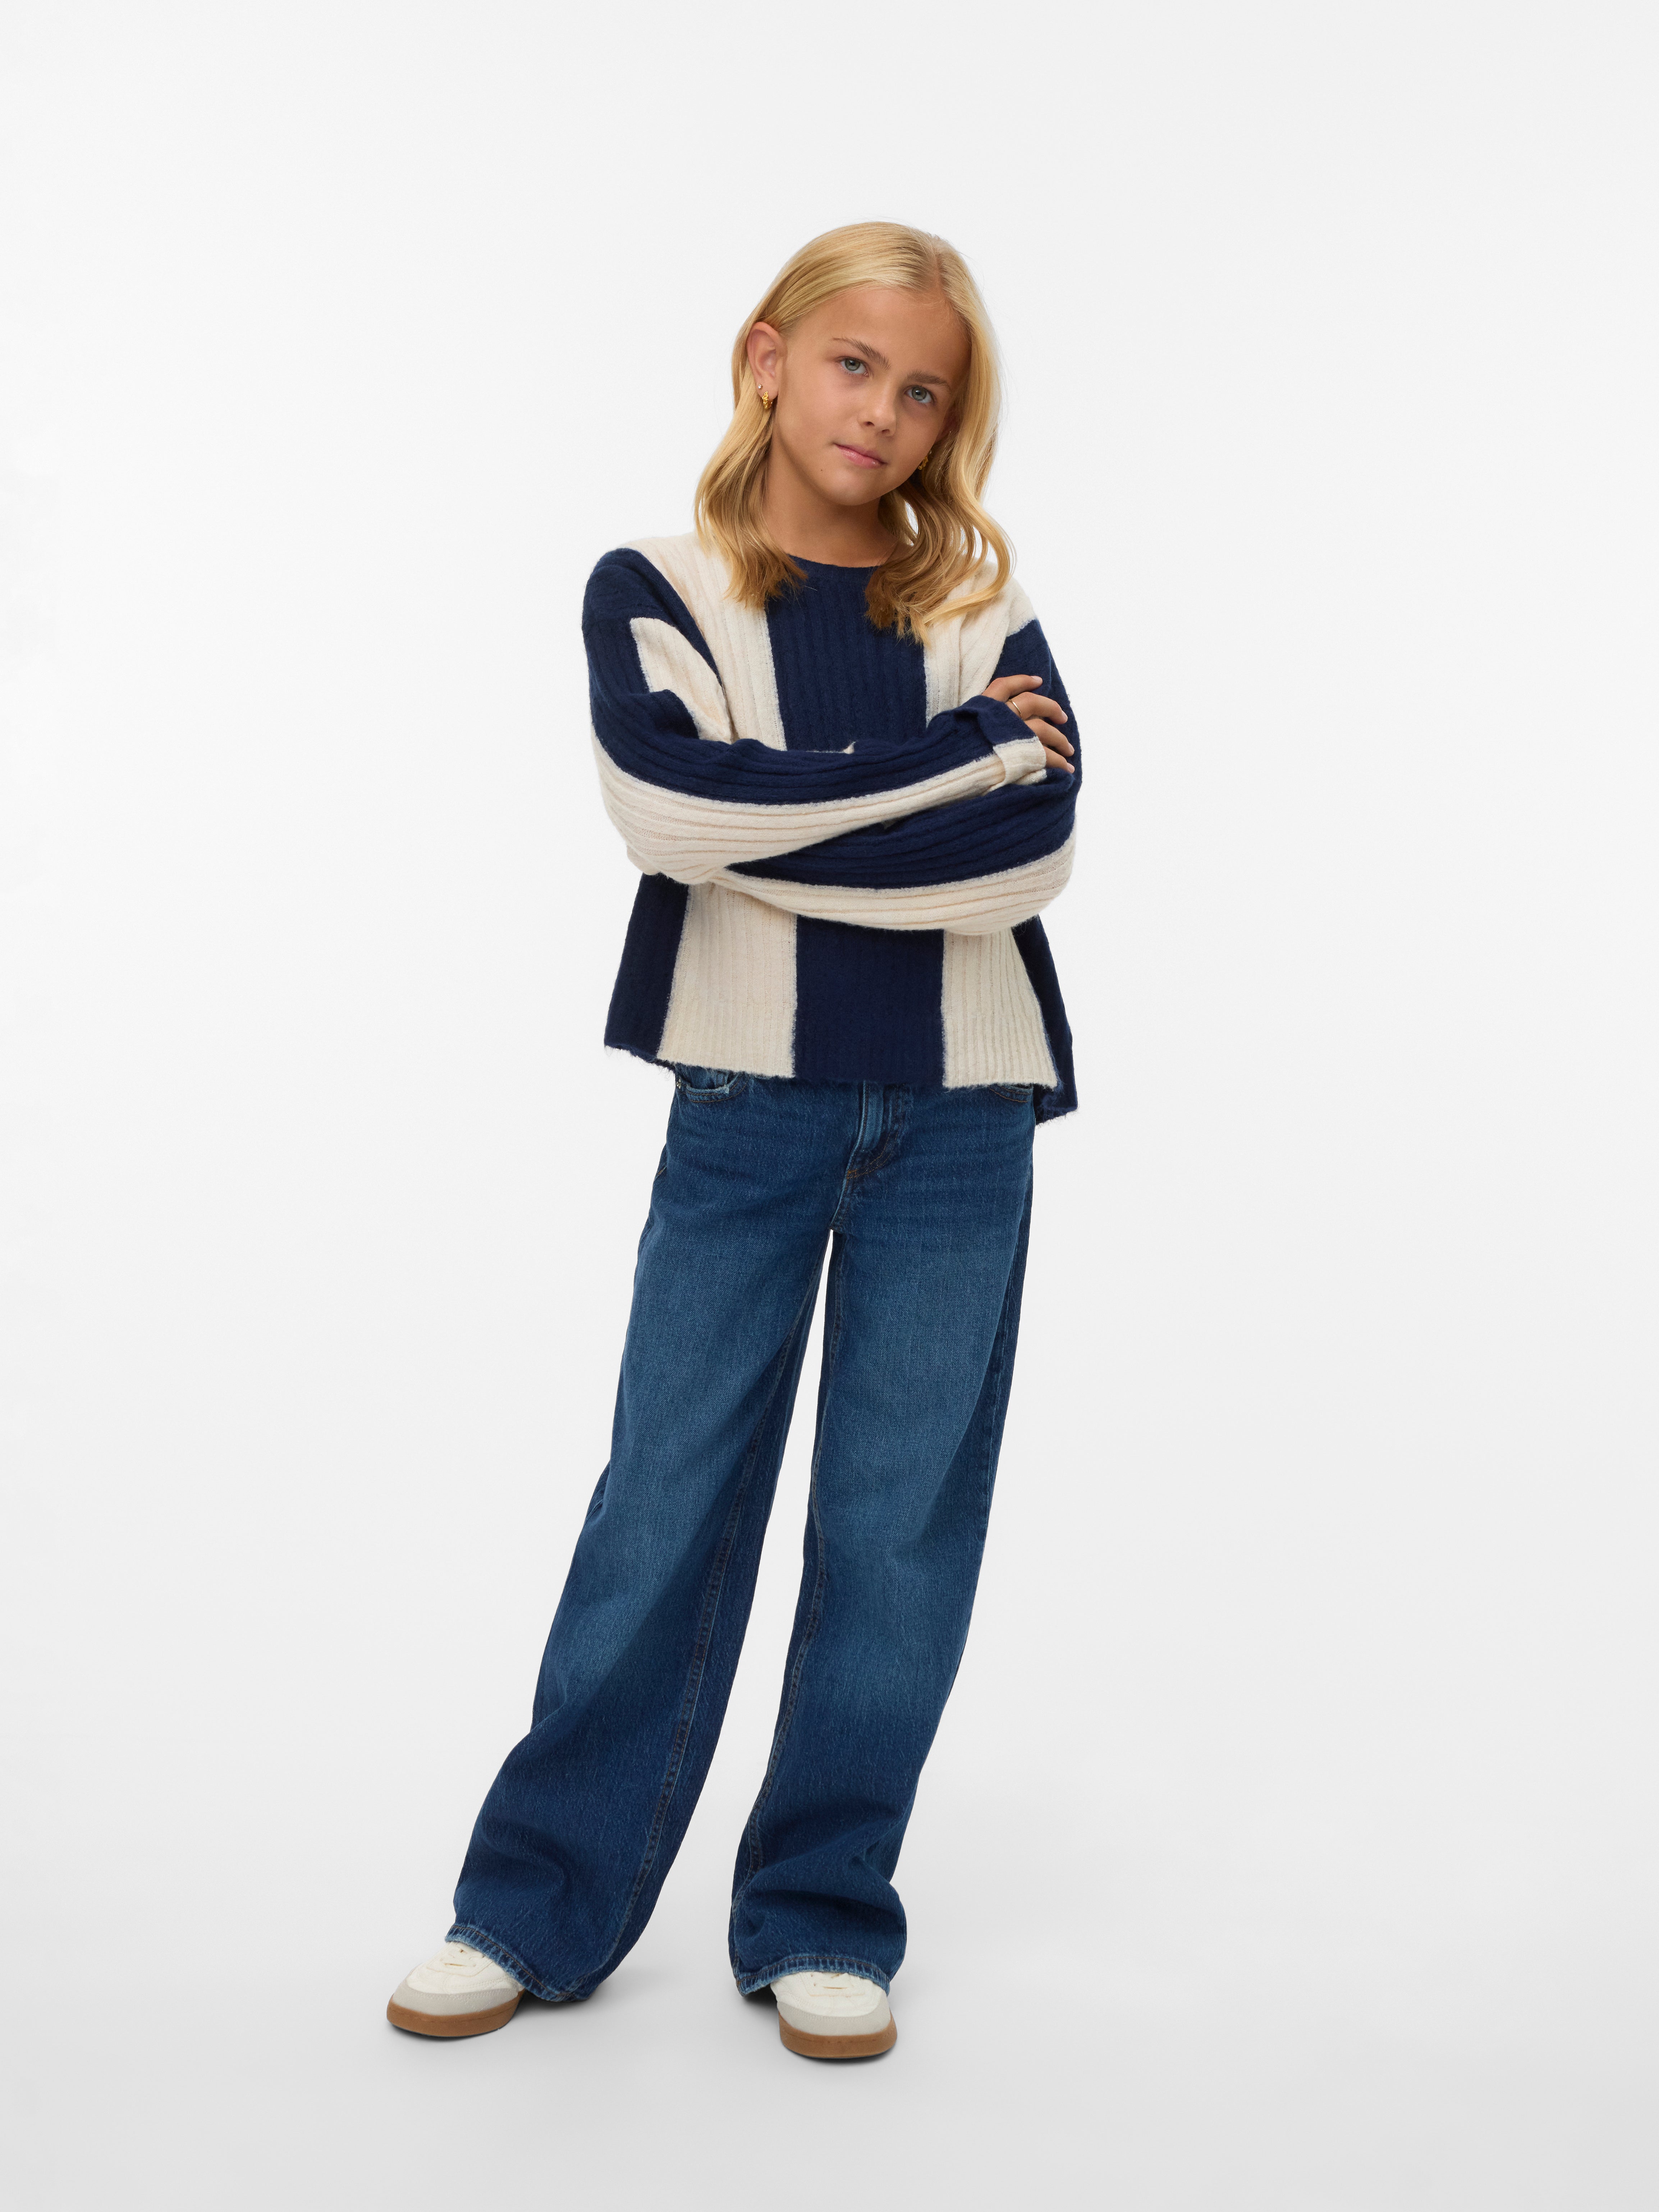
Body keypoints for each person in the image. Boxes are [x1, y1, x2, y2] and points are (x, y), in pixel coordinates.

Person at [387, 221, 1081, 2060]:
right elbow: (668, 815)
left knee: (894, 1528)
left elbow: (1030, 859)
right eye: (854, 364)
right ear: (766, 358)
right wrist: (959, 761)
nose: (884, 411)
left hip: (963, 1115)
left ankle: (821, 1910)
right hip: (743, 1106)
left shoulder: (980, 605)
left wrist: (794, 823)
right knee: (665, 1500)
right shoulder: (662, 588)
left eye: (922, 390)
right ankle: (533, 1906)